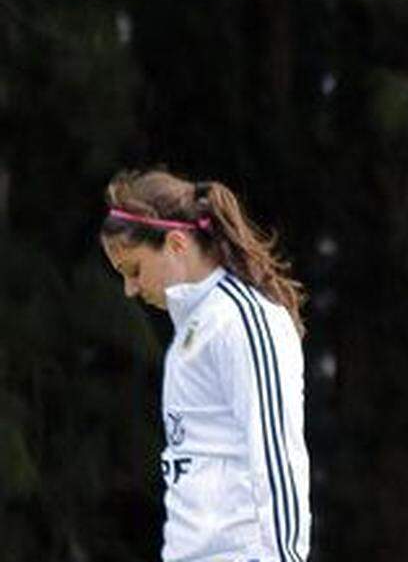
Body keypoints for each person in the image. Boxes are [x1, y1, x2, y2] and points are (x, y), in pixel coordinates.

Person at [100, 169, 311, 562]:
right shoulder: (192, 331)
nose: (130, 289)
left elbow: (278, 456)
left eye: (134, 270)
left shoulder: (243, 320)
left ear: (177, 244)